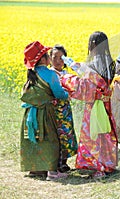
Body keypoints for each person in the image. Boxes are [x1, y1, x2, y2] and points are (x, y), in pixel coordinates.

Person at [60, 31, 117, 179]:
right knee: (105, 133)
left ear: (92, 45)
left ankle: (97, 167)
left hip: (95, 105)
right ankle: (108, 163)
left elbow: (87, 84)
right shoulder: (111, 61)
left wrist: (66, 79)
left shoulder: (95, 61)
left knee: (94, 134)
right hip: (106, 104)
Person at [20, 41, 69, 181]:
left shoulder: (32, 74)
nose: (49, 57)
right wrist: (67, 94)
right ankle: (52, 172)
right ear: (42, 59)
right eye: (47, 55)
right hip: (46, 112)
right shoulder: (50, 75)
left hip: (30, 113)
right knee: (50, 140)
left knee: (34, 139)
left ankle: (36, 169)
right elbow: (59, 94)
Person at [49, 44, 78, 173]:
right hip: (53, 110)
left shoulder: (67, 74)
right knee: (56, 135)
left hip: (65, 109)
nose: (58, 61)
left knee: (67, 134)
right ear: (49, 58)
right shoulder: (49, 73)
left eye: (61, 58)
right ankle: (56, 163)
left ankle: (64, 162)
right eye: (55, 57)